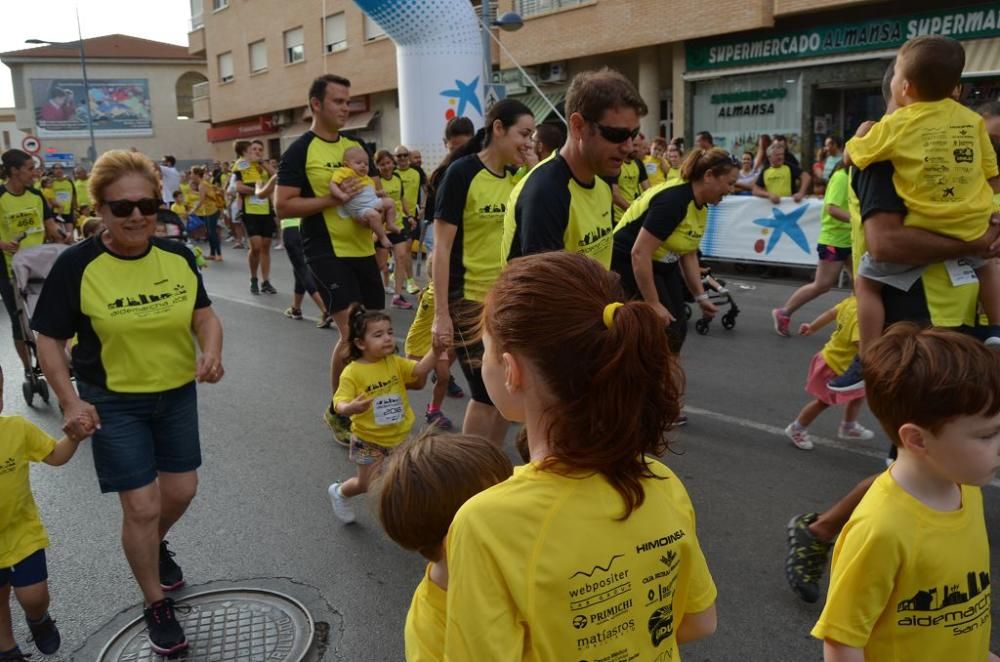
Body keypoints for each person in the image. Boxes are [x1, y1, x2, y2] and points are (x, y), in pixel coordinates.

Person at [783, 59, 1000, 605]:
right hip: (921, 327)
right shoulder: (884, 156)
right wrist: (973, 245)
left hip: (965, 321)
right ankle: (824, 533)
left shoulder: (945, 149)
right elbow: (884, 246)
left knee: (942, 461)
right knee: (919, 464)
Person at [444, 251, 718, 660]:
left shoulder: (487, 523)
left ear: (511, 370)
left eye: (483, 350)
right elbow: (699, 621)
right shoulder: (661, 481)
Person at [31, 149, 224, 656]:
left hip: (176, 393)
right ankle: (154, 599)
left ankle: (151, 546)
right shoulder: (78, 265)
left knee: (180, 492)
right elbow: (47, 339)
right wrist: (69, 401)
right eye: (122, 208)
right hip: (113, 401)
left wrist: (212, 351)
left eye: (148, 204)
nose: (137, 215)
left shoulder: (178, 256)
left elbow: (203, 314)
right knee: (140, 505)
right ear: (100, 210)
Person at [812, 325, 1000, 662]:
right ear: (917, 439)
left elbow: (956, 613)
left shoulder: (966, 489)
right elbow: (842, 642)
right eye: (987, 435)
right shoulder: (881, 529)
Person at [839, 36, 1000, 388]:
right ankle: (996, 330)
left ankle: (866, 360)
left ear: (904, 87)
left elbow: (882, 245)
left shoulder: (889, 137)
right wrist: (984, 231)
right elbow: (993, 177)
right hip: (958, 292)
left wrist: (856, 141)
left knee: (866, 281)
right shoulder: (972, 122)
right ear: (954, 88)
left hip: (922, 315)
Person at [276, 74, 385, 445]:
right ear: (316, 105)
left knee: (373, 332)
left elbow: (372, 188)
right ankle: (339, 409)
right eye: (338, 101)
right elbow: (283, 205)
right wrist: (331, 201)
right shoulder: (299, 151)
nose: (345, 108)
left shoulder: (354, 145)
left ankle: (371, 404)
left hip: (362, 248)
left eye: (348, 101)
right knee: (353, 332)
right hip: (324, 249)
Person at [432, 99, 535, 447]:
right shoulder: (461, 173)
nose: (528, 141)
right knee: (484, 392)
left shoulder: (517, 179)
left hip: (505, 302)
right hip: (469, 302)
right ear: (498, 129)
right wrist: (441, 315)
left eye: (532, 135)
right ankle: (466, 475)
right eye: (524, 133)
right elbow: (442, 248)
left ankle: (487, 465)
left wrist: (534, 168)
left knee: (506, 393)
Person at [377, 432, 513, 662]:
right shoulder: (430, 628)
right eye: (503, 507)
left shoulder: (512, 563)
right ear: (454, 537)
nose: (521, 508)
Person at [503, 68, 647, 268]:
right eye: (616, 135)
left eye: (634, 134)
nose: (628, 147)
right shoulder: (544, 194)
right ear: (578, 126)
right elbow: (546, 294)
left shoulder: (602, 178)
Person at [611, 148, 737, 352]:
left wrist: (700, 297)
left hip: (661, 263)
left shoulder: (700, 204)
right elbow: (639, 253)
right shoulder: (674, 201)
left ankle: (662, 378)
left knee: (677, 330)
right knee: (661, 332)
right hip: (628, 261)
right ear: (709, 176)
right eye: (729, 183)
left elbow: (688, 252)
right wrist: (652, 303)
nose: (731, 190)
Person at [0, 366, 87, 659]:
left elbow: (54, 455)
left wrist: (73, 437)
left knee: (35, 597)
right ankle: (6, 647)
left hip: (21, 532)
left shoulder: (15, 429)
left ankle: (38, 618)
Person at [327, 305, 441, 523]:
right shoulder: (353, 372)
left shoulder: (394, 362)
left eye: (389, 332)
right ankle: (339, 492)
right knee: (366, 484)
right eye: (378, 335)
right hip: (368, 441)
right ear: (360, 343)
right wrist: (350, 408)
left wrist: (435, 351)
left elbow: (419, 370)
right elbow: (338, 402)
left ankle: (406, 513)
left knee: (406, 476)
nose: (388, 338)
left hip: (400, 436)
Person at [783, 295, 874, 450]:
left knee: (859, 395)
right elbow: (862, 347)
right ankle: (796, 429)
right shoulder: (862, 318)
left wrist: (813, 327)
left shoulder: (852, 301)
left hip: (837, 362)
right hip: (835, 366)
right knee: (823, 402)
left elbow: (831, 313)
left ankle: (848, 426)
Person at [771, 160, 852, 336]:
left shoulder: (856, 177)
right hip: (834, 241)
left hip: (851, 239)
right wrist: (858, 219)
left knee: (863, 286)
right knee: (822, 285)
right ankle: (783, 313)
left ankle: (858, 325)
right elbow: (832, 209)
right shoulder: (841, 177)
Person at [0, 150, 60, 377]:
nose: (35, 173)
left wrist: (63, 239)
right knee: (20, 323)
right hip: (9, 270)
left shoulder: (36, 196)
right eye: (29, 168)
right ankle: (28, 369)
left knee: (50, 317)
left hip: (41, 266)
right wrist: (3, 244)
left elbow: (51, 226)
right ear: (14, 171)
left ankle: (56, 363)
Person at [330, 146, 399, 251]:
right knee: (374, 215)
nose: (363, 166)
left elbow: (369, 192)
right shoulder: (344, 172)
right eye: (358, 163)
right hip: (360, 209)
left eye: (366, 164)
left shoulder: (366, 178)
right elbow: (333, 184)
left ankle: (390, 223)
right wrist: (340, 194)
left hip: (372, 202)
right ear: (346, 164)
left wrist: (378, 193)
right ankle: (382, 237)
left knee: (390, 202)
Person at [234, 140, 278, 294]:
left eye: (260, 149)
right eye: (254, 149)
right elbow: (238, 187)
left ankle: (266, 281)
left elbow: (277, 177)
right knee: (256, 247)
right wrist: (260, 191)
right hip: (250, 211)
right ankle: (254, 278)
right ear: (248, 151)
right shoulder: (242, 164)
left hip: (266, 210)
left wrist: (263, 163)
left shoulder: (264, 167)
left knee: (266, 246)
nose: (257, 152)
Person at [372, 150, 413, 308]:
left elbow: (401, 198)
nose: (386, 166)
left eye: (388, 163)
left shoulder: (397, 178)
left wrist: (409, 215)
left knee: (401, 258)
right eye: (382, 164)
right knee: (380, 264)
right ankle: (368, 291)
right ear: (377, 166)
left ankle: (397, 296)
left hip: (397, 226)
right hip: (382, 229)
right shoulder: (377, 181)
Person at [280, 214, 332, 328]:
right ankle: (296, 308)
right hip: (308, 228)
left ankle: (325, 310)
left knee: (302, 269)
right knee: (299, 268)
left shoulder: (281, 195)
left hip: (291, 228)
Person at [393, 145, 421, 295]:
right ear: (395, 158)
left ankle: (398, 270)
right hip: (397, 217)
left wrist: (421, 207)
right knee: (405, 250)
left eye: (405, 155)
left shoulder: (417, 172)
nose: (402, 158)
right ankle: (410, 281)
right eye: (399, 156)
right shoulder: (392, 174)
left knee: (405, 250)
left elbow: (425, 189)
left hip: (412, 216)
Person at [609, 138, 649, 224]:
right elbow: (615, 196)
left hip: (634, 216)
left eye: (639, 146)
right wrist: (633, 211)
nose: (637, 149)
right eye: (634, 145)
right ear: (625, 145)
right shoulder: (616, 164)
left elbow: (648, 190)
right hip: (618, 219)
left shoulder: (638, 163)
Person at [190, 165, 223, 261]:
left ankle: (219, 254)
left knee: (212, 233)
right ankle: (212, 254)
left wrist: (193, 210)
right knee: (210, 233)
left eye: (192, 173)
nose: (191, 175)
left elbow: (201, 200)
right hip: (209, 210)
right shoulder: (204, 183)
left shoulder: (202, 185)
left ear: (196, 174)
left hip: (212, 210)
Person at [49, 165, 75, 229]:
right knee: (59, 236)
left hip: (68, 211)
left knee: (70, 235)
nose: (59, 170)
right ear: (53, 171)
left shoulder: (69, 181)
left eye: (61, 168)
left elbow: (74, 195)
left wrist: (75, 209)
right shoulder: (50, 182)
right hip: (56, 212)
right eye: (56, 168)